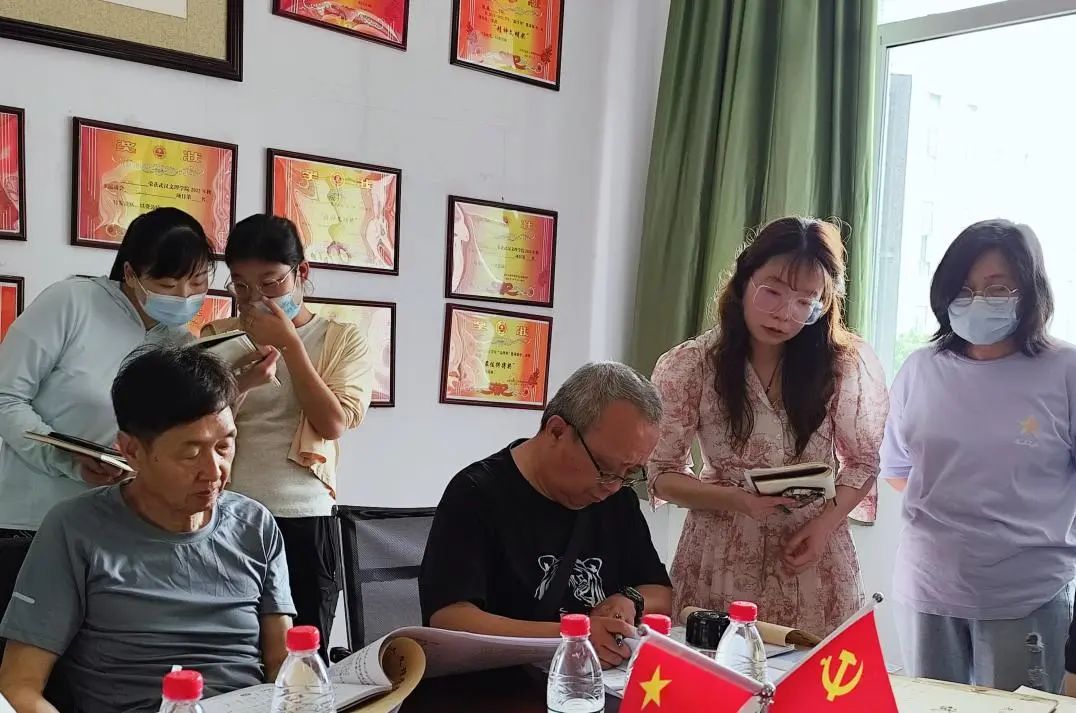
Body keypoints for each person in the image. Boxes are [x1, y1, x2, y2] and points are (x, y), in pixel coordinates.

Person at [0, 346, 294, 712]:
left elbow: (284, 665)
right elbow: (18, 687)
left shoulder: (254, 525)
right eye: (191, 453)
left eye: (224, 446)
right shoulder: (76, 529)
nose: (214, 470)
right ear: (131, 451)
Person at [647, 216, 888, 636]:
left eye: (805, 302)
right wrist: (736, 500)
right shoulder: (690, 365)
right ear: (745, 279)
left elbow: (863, 462)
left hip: (812, 552)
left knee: (812, 670)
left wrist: (822, 527)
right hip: (722, 552)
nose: (783, 313)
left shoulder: (841, 365)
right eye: (772, 291)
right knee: (723, 670)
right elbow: (662, 474)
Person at [882, 219, 1076, 691]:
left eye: (997, 288)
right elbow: (899, 470)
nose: (978, 301)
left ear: (1030, 291)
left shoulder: (1065, 370)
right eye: (964, 290)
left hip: (1027, 595)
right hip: (927, 591)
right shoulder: (921, 369)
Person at [419, 362, 673, 669]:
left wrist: (628, 600)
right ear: (556, 431)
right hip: (500, 683)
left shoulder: (617, 501)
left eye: (630, 472)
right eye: (605, 468)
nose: (613, 486)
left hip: (594, 682)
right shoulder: (476, 493)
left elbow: (660, 592)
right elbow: (450, 619)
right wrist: (573, 637)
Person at [202, 214, 372, 660]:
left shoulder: (341, 339)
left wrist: (291, 346)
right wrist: (242, 383)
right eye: (241, 286)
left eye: (271, 282)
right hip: (228, 509)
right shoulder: (216, 336)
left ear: (301, 272)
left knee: (301, 654)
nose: (255, 298)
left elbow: (333, 423)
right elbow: (199, 425)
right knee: (231, 652)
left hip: (305, 513)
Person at [0, 208, 212, 536]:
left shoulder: (181, 343)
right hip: (32, 521)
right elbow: (6, 397)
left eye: (197, 282)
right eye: (167, 284)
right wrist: (67, 461)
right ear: (130, 273)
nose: (184, 297)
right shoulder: (72, 302)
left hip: (122, 527)